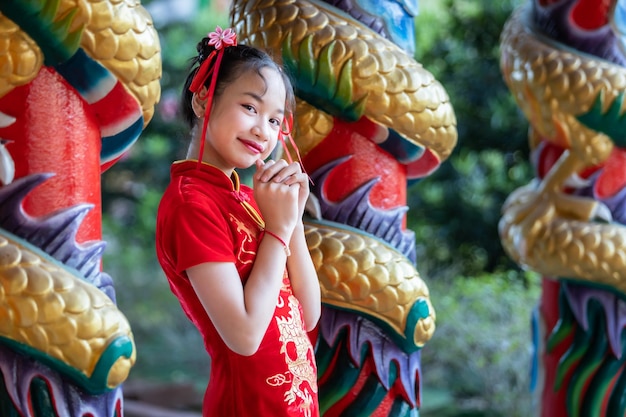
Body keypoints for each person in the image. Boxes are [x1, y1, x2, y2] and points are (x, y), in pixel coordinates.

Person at [155, 26, 321, 416]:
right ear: (202, 100)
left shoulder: (250, 199)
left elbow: (309, 314)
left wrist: (292, 219)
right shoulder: (190, 205)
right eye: (250, 108)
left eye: (275, 121)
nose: (263, 130)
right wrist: (278, 231)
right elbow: (244, 336)